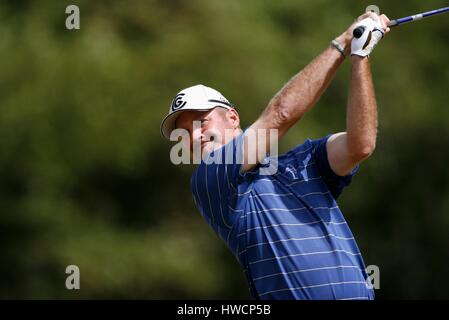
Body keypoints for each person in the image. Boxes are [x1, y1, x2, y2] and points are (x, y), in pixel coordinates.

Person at [160, 12, 390, 300]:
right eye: (184, 132)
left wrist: (360, 55)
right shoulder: (210, 178)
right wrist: (343, 42)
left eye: (201, 122)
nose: (193, 137)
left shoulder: (306, 161)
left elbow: (361, 144)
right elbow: (280, 115)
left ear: (232, 118)